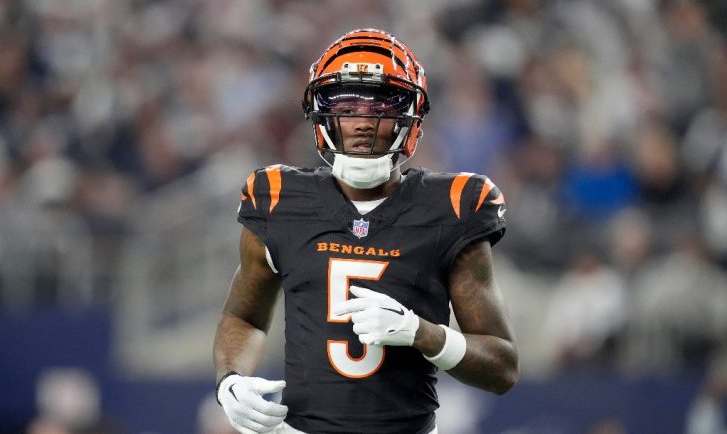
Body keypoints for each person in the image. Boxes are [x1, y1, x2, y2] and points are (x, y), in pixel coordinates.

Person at [213, 28, 519, 434]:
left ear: (409, 118)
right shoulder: (278, 199)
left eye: (381, 107)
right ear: (323, 116)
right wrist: (231, 379)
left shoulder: (453, 207)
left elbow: (502, 367)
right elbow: (243, 316)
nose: (363, 122)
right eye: (347, 107)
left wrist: (420, 333)